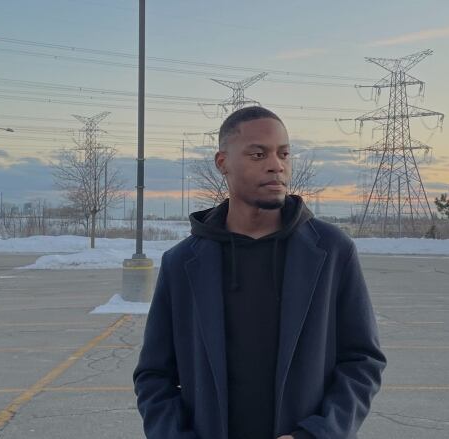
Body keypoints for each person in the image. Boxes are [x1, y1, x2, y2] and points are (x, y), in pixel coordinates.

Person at [133, 106, 386, 439]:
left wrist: (320, 433)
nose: (276, 165)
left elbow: (362, 360)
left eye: (284, 154)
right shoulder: (182, 263)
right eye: (258, 154)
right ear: (222, 163)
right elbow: (154, 376)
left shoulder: (331, 251)